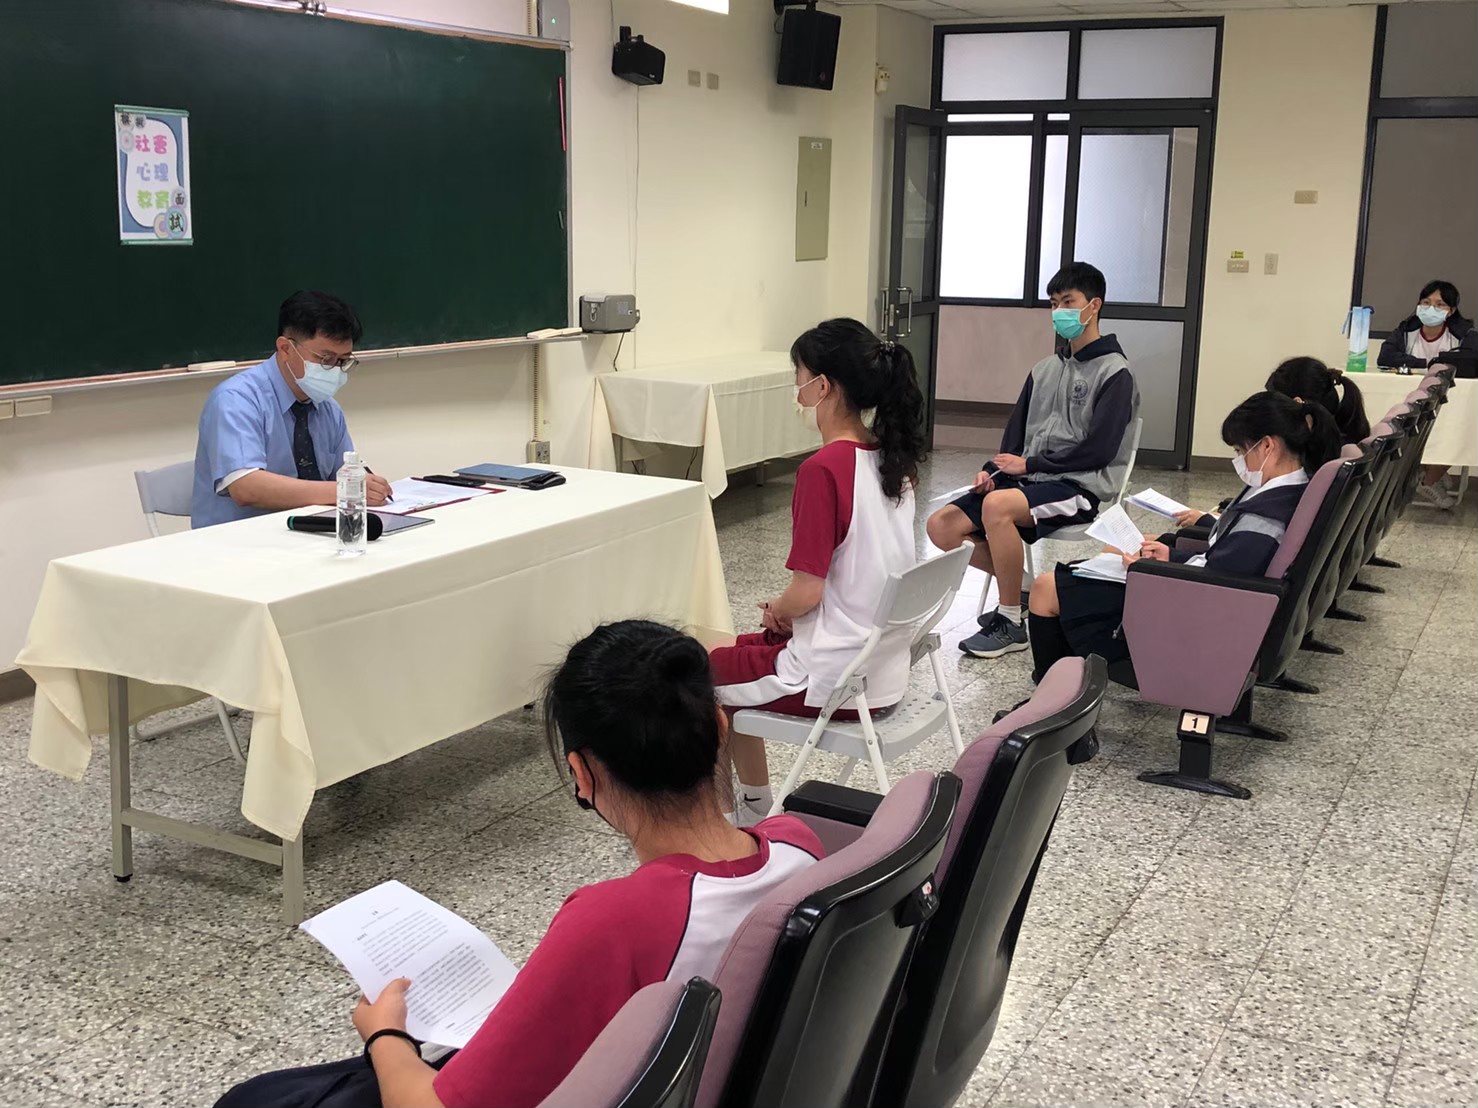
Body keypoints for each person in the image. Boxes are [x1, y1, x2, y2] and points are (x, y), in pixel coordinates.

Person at [214, 620, 822, 1108]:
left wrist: (385, 1034)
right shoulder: (800, 844)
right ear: (719, 728)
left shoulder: (615, 920)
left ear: (582, 773)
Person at [709, 318, 925, 825]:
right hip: (882, 664)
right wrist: (787, 612)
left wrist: (780, 609)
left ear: (822, 386)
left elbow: (806, 593)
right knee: (734, 649)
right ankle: (753, 809)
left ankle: (735, 823)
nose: (797, 390)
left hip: (833, 675)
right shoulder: (892, 458)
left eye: (799, 378)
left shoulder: (822, 469)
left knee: (696, 679)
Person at [1026, 391, 1340, 682]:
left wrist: (1149, 570)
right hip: (1204, 597)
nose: (1239, 461)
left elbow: (1219, 582)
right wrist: (1171, 556)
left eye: (1240, 451)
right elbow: (1223, 565)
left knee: (1047, 588)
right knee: (1084, 571)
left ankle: (1052, 700)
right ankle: (1067, 688)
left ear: (1267, 446)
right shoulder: (1289, 491)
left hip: (1190, 615)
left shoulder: (1263, 517)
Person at [926, 262, 1139, 660]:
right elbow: (1014, 437)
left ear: (1094, 306)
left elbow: (1100, 450)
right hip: (1029, 481)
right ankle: (1022, 587)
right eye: (1054, 303)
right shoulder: (1044, 369)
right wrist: (991, 471)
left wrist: (1031, 466)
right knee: (941, 526)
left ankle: (1010, 621)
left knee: (997, 507)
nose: (1059, 312)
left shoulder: (1115, 372)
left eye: (1068, 302)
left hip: (1078, 486)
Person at [190, 290, 391, 527]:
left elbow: (346, 472)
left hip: (309, 532)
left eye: (343, 361)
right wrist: (344, 490)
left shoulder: (327, 408)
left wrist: (367, 484)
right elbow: (246, 488)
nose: (336, 370)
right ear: (285, 349)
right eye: (326, 359)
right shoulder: (237, 399)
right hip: (237, 540)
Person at [1166, 356, 1368, 531]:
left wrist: (1212, 520)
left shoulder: (1306, 468)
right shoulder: (1328, 450)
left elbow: (1261, 527)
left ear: (1295, 405)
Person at [1377, 279, 1477, 508]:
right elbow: (1385, 357)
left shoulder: (1464, 335)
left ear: (1451, 311)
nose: (1431, 309)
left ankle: (1429, 480)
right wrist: (1428, 363)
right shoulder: (1406, 331)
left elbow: (1472, 361)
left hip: (1454, 401)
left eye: (1440, 304)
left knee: (1461, 428)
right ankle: (1426, 474)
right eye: (1426, 302)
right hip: (1411, 400)